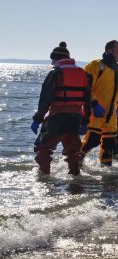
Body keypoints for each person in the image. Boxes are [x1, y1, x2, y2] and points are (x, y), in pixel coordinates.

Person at [31, 42, 92, 176]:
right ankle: (75, 179)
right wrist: (85, 121)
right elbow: (88, 102)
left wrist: (37, 119)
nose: (52, 63)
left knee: (43, 148)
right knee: (73, 152)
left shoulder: (55, 73)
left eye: (52, 60)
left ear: (55, 59)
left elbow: (45, 99)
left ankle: (44, 177)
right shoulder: (85, 75)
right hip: (75, 118)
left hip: (57, 117)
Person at [81, 40, 118, 166]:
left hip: (111, 114)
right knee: (92, 140)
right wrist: (94, 104)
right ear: (109, 50)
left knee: (109, 144)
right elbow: (85, 86)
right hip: (96, 111)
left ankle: (107, 171)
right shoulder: (96, 66)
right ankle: (75, 159)